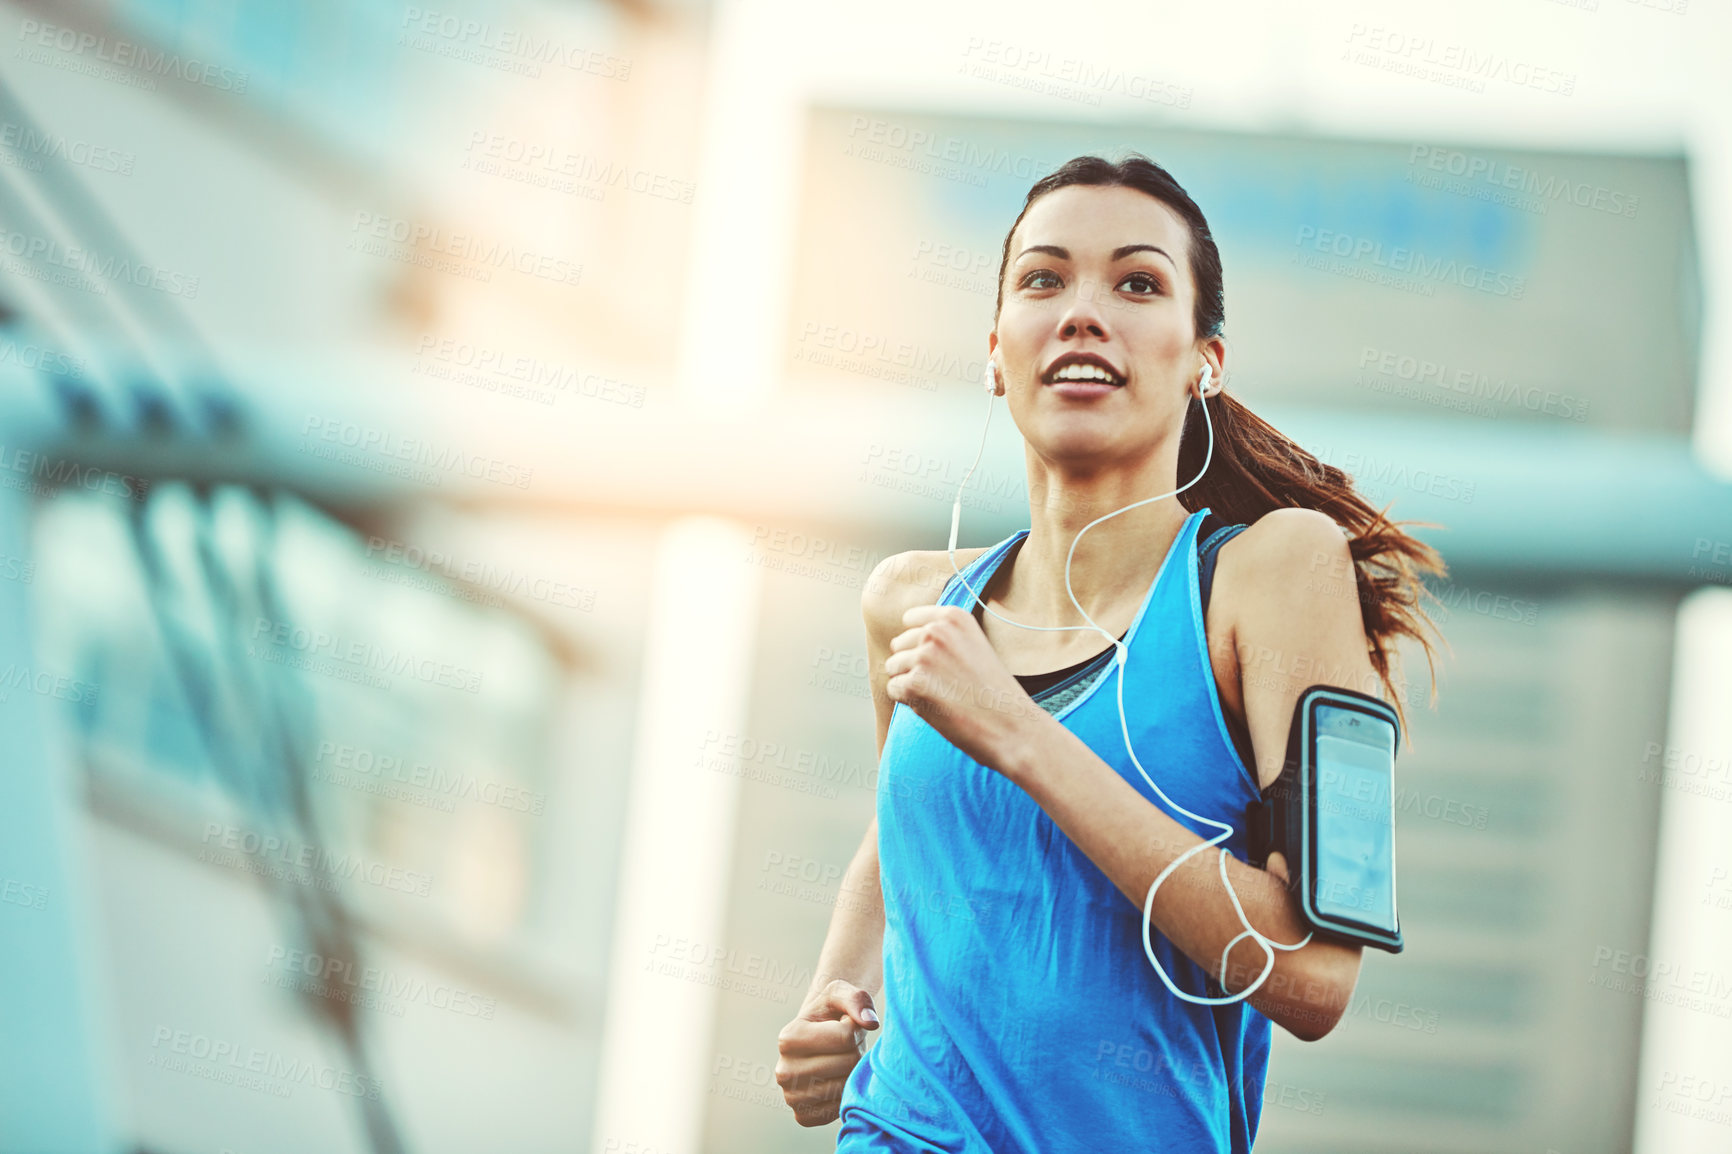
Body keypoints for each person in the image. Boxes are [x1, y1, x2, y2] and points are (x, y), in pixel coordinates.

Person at [775, 153, 1447, 1152]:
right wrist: (835, 989)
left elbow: (1312, 978)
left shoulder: (1279, 570)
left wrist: (1017, 730)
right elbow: (901, 831)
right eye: (1043, 278)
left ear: (1203, 359)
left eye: (1137, 283)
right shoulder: (910, 604)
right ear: (996, 349)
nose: (1082, 311)